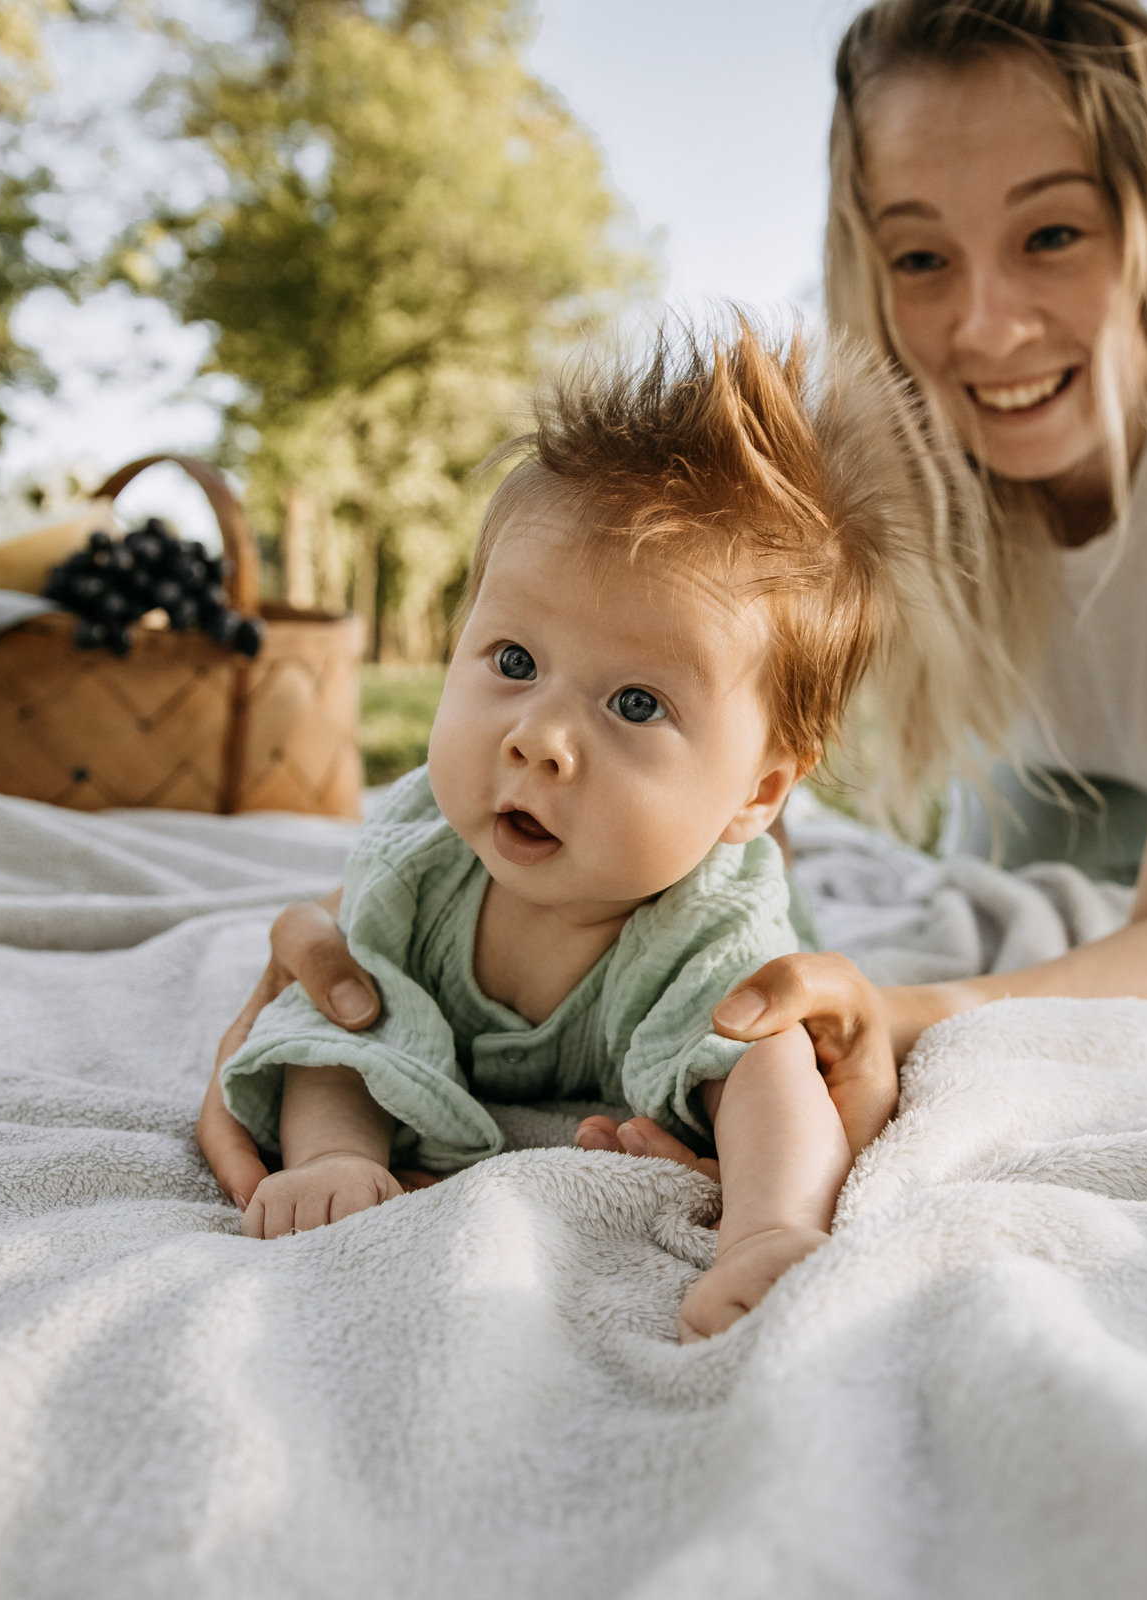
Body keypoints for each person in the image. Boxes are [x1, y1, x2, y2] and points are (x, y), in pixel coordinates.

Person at [201, 0, 1147, 1191]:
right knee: (1072, 913)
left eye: (1053, 233)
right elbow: (718, 745)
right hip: (1095, 734)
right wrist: (401, 944)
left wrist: (915, 1013)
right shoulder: (861, 433)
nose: (983, 326)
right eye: (921, 254)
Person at [212, 317, 945, 1340]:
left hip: (711, 898)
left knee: (758, 1031)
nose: (538, 739)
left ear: (761, 789)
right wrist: (335, 1155)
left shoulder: (708, 928)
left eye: (636, 704)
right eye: (513, 662)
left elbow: (771, 1078)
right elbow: (342, 1025)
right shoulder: (419, 866)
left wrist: (769, 1227)